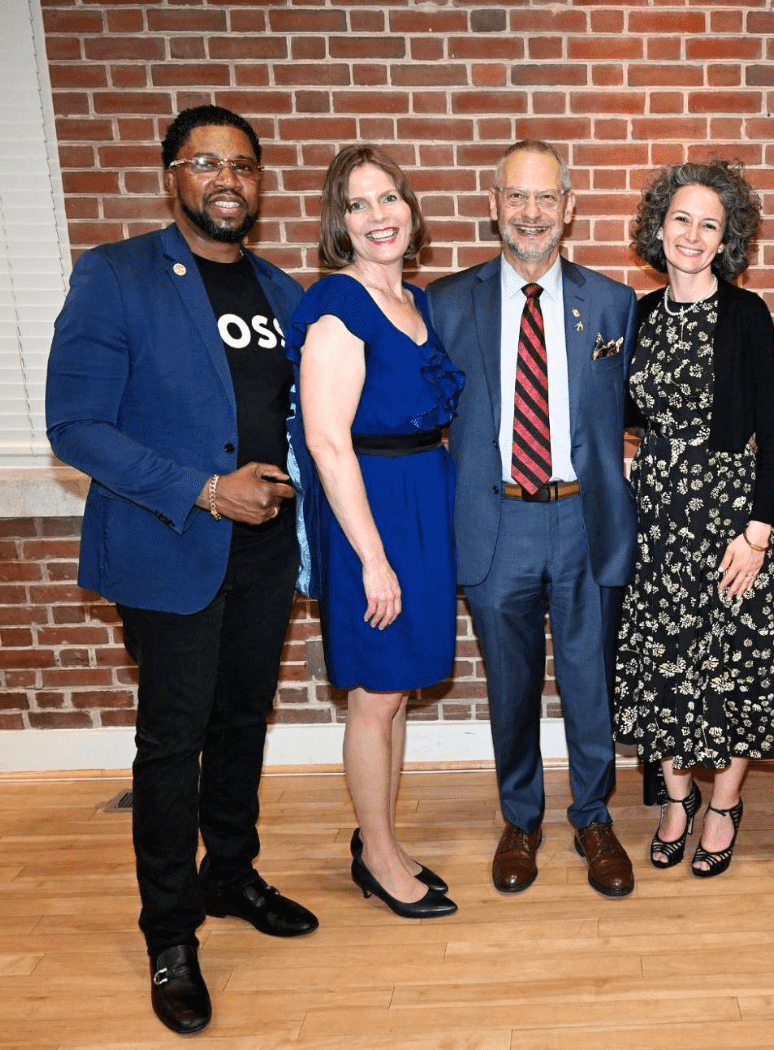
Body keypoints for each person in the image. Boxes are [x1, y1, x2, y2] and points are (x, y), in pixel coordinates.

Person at [46, 105, 317, 1035]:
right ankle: (170, 932)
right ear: (173, 175)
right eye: (206, 163)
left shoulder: (282, 291)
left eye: (242, 165)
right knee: (173, 743)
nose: (226, 179)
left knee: (244, 720)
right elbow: (76, 426)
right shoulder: (116, 275)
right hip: (171, 546)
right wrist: (204, 489)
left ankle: (229, 874)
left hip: (267, 550)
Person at [427, 141, 639, 898]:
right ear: (495, 205)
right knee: (510, 683)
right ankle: (520, 819)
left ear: (569, 208)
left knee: (590, 680)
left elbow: (638, 411)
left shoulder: (613, 304)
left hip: (584, 520)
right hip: (497, 521)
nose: (531, 213)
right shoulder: (447, 302)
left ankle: (592, 817)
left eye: (546, 198)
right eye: (516, 197)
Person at [286, 146, 463, 919]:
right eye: (358, 205)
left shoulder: (416, 302)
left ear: (411, 211)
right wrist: (371, 559)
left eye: (388, 198)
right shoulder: (337, 306)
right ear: (339, 223)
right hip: (372, 508)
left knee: (398, 690)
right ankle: (380, 859)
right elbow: (326, 442)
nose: (378, 216)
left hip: (423, 494)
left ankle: (380, 838)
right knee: (375, 692)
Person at [613, 160, 774, 878]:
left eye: (709, 224)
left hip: (727, 514)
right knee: (662, 660)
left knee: (734, 663)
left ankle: (722, 806)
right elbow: (618, 414)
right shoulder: (637, 314)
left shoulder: (746, 314)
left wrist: (758, 530)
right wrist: (633, 464)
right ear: (660, 228)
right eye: (681, 219)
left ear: (727, 240)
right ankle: (676, 800)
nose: (692, 234)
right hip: (655, 518)